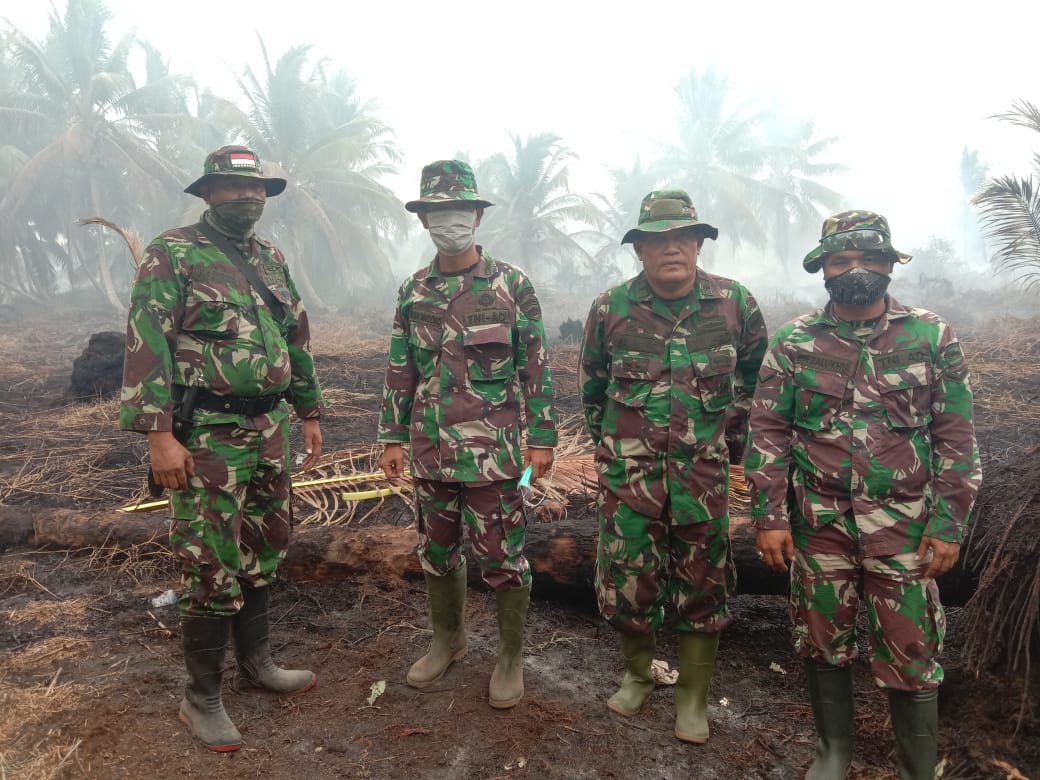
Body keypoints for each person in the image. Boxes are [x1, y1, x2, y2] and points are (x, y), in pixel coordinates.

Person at [744, 211, 981, 779]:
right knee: (820, 640)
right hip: (818, 523)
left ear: (890, 264)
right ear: (823, 268)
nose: (857, 270)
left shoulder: (930, 335)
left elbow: (957, 435)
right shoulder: (795, 342)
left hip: (905, 526)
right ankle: (833, 754)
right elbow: (767, 432)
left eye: (871, 258)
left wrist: (949, 523)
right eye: (842, 259)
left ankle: (917, 768)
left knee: (912, 647)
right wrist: (770, 514)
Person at [120, 145, 325, 752]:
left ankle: (257, 665)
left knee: (266, 545)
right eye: (234, 186)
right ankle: (201, 697)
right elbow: (146, 339)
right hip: (205, 434)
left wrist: (309, 412)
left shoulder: (271, 257)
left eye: (256, 187)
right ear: (208, 192)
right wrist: (159, 435)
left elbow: (298, 338)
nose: (248, 196)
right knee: (209, 560)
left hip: (268, 430)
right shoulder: (173, 252)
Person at [579, 190, 768, 743]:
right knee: (627, 586)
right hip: (627, 482)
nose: (671, 249)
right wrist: (617, 451)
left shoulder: (734, 303)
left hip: (702, 483)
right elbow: (593, 390)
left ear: (699, 242)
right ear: (638, 249)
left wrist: (729, 444)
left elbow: (758, 384)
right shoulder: (610, 308)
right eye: (657, 240)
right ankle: (638, 676)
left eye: (683, 237)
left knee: (704, 588)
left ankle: (692, 698)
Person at [377, 159, 557, 709]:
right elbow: (400, 367)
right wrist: (391, 437)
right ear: (424, 219)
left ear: (476, 217)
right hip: (431, 452)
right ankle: (448, 641)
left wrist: (543, 438)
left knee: (503, 557)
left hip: (495, 456)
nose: (448, 221)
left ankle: (509, 657)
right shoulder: (414, 291)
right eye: (437, 212)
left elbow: (536, 366)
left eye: (458, 211)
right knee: (436, 551)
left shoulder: (511, 286)